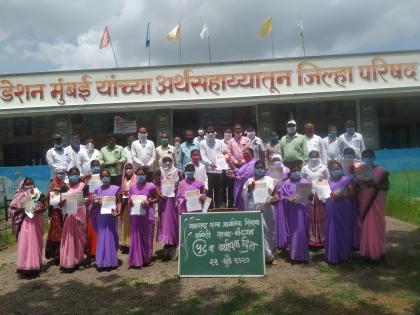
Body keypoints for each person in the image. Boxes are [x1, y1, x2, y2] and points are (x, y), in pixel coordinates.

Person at [242, 160, 280, 264]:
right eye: (257, 168)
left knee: (268, 232)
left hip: (267, 210)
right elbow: (244, 196)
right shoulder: (249, 181)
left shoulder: (270, 180)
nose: (260, 169)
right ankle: (258, 255)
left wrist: (276, 198)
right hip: (253, 209)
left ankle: (270, 255)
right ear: (254, 169)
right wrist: (249, 189)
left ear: (265, 169)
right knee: (256, 231)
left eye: (261, 168)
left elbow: (275, 194)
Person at [9, 178, 47, 276]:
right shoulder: (19, 196)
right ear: (23, 185)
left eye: (31, 184)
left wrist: (41, 205)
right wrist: (21, 207)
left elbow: (44, 206)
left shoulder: (37, 193)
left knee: (37, 243)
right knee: (27, 243)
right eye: (27, 184)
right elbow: (12, 209)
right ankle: (26, 266)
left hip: (37, 220)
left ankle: (36, 264)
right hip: (26, 222)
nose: (30, 186)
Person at [358, 150, 389, 261]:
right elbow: (358, 187)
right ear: (362, 158)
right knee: (366, 226)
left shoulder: (382, 171)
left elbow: (386, 186)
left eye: (369, 156)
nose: (367, 158)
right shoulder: (360, 171)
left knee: (376, 225)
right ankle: (366, 252)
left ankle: (378, 252)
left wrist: (373, 184)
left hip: (376, 202)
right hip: (364, 202)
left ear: (374, 157)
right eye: (365, 156)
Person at [90, 170, 121, 270]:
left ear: (110, 177)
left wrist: (118, 211)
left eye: (107, 176)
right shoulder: (97, 190)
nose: (105, 178)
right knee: (102, 237)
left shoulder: (116, 189)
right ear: (100, 178)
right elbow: (93, 205)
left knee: (112, 236)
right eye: (103, 176)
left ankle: (111, 261)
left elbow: (119, 202)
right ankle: (101, 262)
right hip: (101, 217)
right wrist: (96, 202)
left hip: (111, 216)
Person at [127, 167, 158, 268]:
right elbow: (129, 200)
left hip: (148, 214)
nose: (140, 177)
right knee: (136, 236)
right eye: (138, 175)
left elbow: (157, 198)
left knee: (147, 236)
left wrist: (149, 202)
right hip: (136, 215)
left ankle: (147, 258)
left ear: (146, 175)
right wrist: (130, 202)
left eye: (142, 174)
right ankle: (136, 259)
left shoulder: (151, 186)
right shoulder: (132, 187)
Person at [325, 161, 355, 264]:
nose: (336, 171)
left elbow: (352, 194)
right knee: (332, 230)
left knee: (345, 231)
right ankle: (333, 255)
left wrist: (343, 196)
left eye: (338, 169)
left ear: (342, 169)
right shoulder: (327, 182)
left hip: (344, 209)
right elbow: (322, 195)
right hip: (331, 209)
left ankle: (345, 255)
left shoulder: (347, 180)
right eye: (333, 170)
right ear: (330, 171)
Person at [59, 167, 88, 271]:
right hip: (69, 216)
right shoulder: (64, 187)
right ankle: (68, 261)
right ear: (69, 175)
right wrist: (61, 203)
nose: (74, 176)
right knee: (69, 238)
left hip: (81, 216)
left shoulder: (84, 186)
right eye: (72, 174)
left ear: (79, 175)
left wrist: (85, 200)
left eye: (76, 174)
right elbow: (59, 204)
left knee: (80, 239)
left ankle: (79, 260)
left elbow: (86, 199)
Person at [281, 162, 311, 262]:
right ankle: (294, 255)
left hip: (303, 210)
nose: (296, 172)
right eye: (294, 171)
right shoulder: (286, 183)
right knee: (294, 232)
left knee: (303, 231)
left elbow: (310, 197)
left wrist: (311, 195)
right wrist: (289, 199)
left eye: (298, 171)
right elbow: (282, 196)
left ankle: (303, 254)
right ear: (290, 173)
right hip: (292, 211)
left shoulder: (305, 182)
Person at [302, 150, 330, 248]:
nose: (313, 158)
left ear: (319, 157)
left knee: (322, 216)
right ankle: (312, 240)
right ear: (308, 157)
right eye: (311, 156)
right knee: (310, 217)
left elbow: (328, 179)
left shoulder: (324, 168)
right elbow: (302, 181)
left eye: (315, 156)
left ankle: (322, 239)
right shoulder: (305, 168)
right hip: (309, 196)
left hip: (321, 196)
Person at [155, 156, 181, 259]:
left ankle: (174, 241)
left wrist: (176, 191)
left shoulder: (177, 171)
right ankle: (167, 242)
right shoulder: (159, 171)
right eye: (165, 161)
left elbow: (181, 184)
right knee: (165, 221)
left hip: (174, 200)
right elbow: (156, 184)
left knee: (174, 221)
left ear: (172, 161)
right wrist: (160, 194)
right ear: (162, 162)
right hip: (164, 200)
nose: (167, 163)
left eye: (169, 161)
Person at [45, 168, 68, 263]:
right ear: (55, 173)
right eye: (59, 173)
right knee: (56, 232)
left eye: (62, 173)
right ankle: (57, 255)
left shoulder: (65, 184)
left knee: (65, 231)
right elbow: (48, 197)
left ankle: (65, 252)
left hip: (65, 211)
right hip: (56, 212)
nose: (61, 174)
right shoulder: (52, 184)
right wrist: (53, 192)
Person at [200, 126, 225, 208]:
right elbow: (203, 156)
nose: (210, 133)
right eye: (208, 131)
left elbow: (223, 153)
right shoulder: (203, 143)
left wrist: (222, 162)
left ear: (215, 133)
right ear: (206, 133)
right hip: (208, 170)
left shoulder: (219, 142)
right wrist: (210, 163)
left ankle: (218, 207)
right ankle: (209, 208)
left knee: (219, 190)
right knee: (209, 190)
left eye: (212, 131)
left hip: (219, 170)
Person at [119, 163, 136, 254]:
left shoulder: (135, 179)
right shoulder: (124, 180)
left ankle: (132, 244)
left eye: (130, 168)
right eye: (127, 168)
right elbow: (122, 193)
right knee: (125, 225)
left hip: (133, 205)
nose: (128, 170)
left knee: (132, 225)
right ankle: (125, 244)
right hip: (125, 205)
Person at [222, 128, 234, 208]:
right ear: (224, 133)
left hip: (232, 168)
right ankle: (223, 203)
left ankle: (230, 203)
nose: (228, 133)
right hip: (222, 168)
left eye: (230, 132)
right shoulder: (220, 142)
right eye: (226, 132)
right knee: (223, 186)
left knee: (231, 187)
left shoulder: (234, 141)